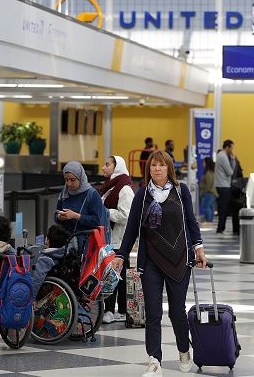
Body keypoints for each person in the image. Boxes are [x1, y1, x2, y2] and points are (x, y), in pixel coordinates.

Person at [111, 150, 208, 377]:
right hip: (151, 261)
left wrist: (199, 249)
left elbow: (191, 222)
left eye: (162, 165)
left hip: (179, 260)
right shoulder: (143, 195)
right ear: (149, 169)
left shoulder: (181, 191)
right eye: (153, 165)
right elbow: (132, 228)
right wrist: (121, 255)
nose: (157, 169)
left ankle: (184, 349)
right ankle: (154, 361)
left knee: (177, 312)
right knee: (153, 313)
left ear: (169, 168)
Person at [99, 156, 135, 324]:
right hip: (110, 239)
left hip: (119, 241)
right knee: (114, 275)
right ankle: (114, 310)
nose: (104, 167)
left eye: (108, 164)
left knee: (116, 277)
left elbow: (125, 215)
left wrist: (105, 212)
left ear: (117, 166)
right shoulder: (111, 186)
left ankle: (115, 310)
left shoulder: (125, 189)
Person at [55, 161, 105, 254]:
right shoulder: (64, 193)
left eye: (73, 180)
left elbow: (97, 221)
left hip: (87, 247)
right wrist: (60, 217)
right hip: (67, 246)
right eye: (66, 180)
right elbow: (56, 215)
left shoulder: (92, 194)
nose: (69, 184)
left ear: (80, 178)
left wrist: (76, 216)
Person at [31, 224, 74, 294]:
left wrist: (31, 298)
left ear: (48, 240)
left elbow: (37, 280)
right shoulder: (64, 253)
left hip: (45, 293)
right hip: (62, 289)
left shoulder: (46, 258)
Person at [215, 140, 237, 235]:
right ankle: (220, 228)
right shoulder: (223, 156)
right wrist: (233, 159)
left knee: (222, 207)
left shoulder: (220, 155)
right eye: (231, 147)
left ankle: (221, 227)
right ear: (227, 147)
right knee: (224, 208)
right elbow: (230, 172)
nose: (232, 150)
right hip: (224, 185)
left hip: (220, 184)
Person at [199, 157, 217, 224]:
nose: (203, 164)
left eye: (204, 162)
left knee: (207, 207)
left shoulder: (208, 173)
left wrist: (203, 192)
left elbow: (208, 184)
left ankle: (208, 221)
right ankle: (210, 220)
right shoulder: (211, 172)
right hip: (212, 192)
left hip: (209, 192)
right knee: (210, 207)